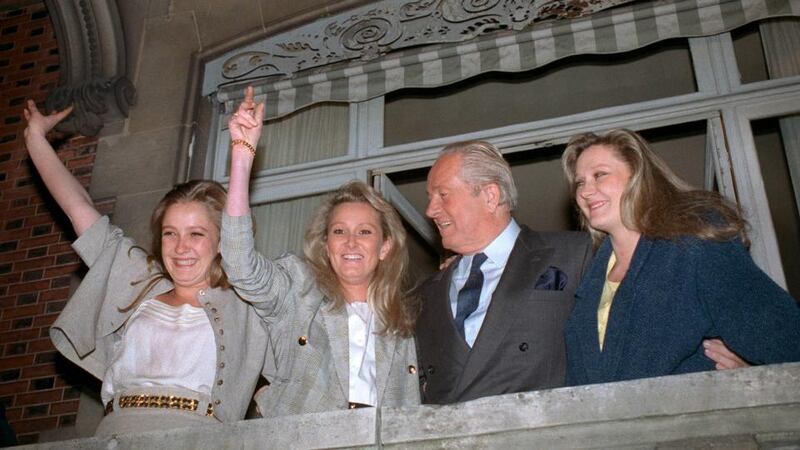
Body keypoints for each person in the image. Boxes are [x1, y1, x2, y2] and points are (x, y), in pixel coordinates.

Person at [24, 100, 267, 435]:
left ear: (222, 241)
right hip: (116, 433)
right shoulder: (137, 280)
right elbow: (77, 206)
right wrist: (36, 138)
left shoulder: (247, 305)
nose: (181, 247)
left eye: (196, 234)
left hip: (198, 437)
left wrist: (242, 155)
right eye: (170, 233)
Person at [220, 87, 419, 416]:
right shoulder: (297, 291)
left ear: (385, 247)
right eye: (339, 231)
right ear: (326, 245)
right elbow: (241, 266)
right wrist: (242, 158)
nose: (351, 242)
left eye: (365, 232)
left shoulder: (403, 323)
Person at [561, 128, 800, 385]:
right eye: (580, 182)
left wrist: (756, 378)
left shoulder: (692, 243)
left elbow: (783, 335)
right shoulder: (589, 284)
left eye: (600, 175)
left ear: (638, 177)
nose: (586, 191)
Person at [415, 140, 594, 404]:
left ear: (490, 196)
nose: (430, 210)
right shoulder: (424, 295)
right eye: (430, 198)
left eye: (442, 194)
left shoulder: (573, 255)